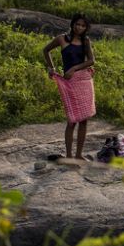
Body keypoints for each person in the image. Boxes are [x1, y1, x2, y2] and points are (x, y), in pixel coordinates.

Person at [43, 14, 96, 160]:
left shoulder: (85, 41)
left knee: (84, 119)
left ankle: (79, 155)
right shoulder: (62, 39)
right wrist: (51, 68)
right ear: (72, 24)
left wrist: (74, 69)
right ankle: (69, 155)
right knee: (72, 120)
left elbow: (91, 61)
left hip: (84, 82)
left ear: (86, 28)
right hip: (69, 83)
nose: (79, 27)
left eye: (83, 25)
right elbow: (45, 50)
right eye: (77, 24)